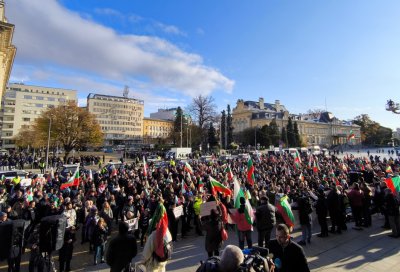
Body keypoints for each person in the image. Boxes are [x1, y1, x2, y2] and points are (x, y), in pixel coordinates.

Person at [140, 200, 172, 272]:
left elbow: (146, 253)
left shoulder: (153, 235)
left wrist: (142, 262)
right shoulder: (167, 232)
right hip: (163, 262)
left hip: (153, 264)